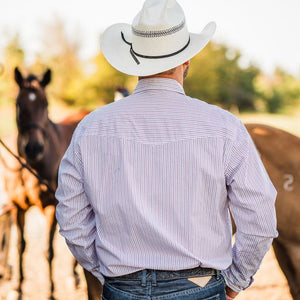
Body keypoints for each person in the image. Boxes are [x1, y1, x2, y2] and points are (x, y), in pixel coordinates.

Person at [55, 0, 278, 299]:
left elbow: (71, 218)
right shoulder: (224, 127)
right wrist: (234, 282)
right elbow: (260, 219)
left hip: (122, 287)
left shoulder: (91, 128)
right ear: (185, 61)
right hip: (200, 286)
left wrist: (106, 271)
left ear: (134, 62)